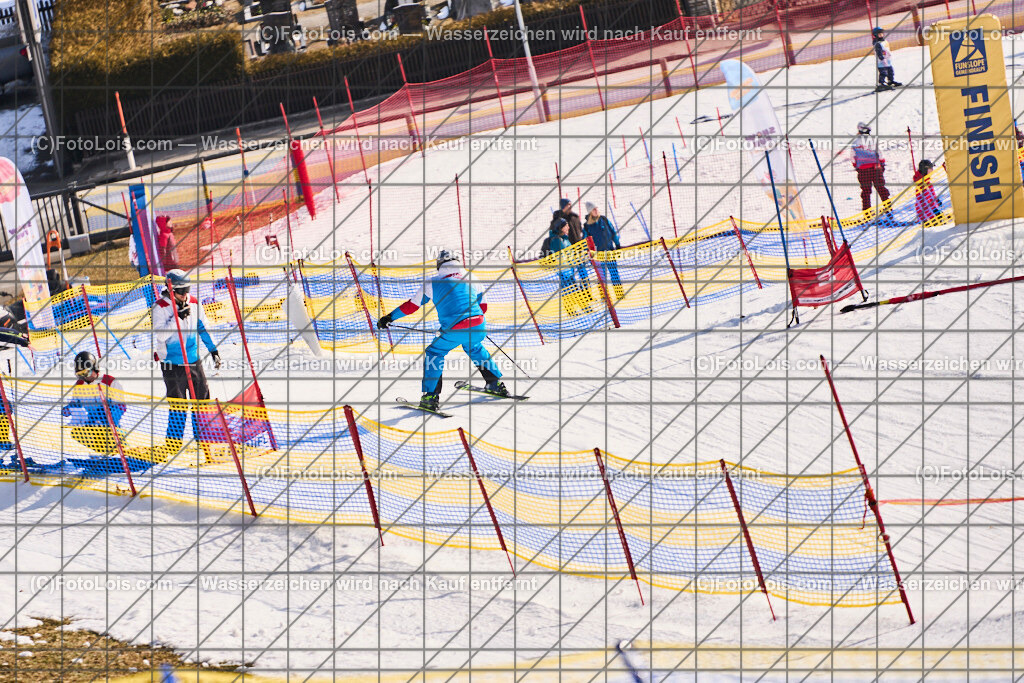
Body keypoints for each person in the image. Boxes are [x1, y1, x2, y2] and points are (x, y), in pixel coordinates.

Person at [376, 250, 507, 412]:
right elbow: (483, 307)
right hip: (479, 324)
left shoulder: (432, 282)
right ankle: (495, 384)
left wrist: (389, 318)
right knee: (474, 347)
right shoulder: (472, 277)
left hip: (454, 327)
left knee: (434, 352)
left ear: (439, 264)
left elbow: (411, 306)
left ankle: (430, 397)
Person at [152, 269, 221, 449]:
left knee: (202, 400)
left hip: (192, 359)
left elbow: (202, 326)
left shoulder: (194, 303)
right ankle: (173, 445)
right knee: (178, 403)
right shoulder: (160, 307)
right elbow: (160, 335)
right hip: (172, 364)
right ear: (170, 289)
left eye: (187, 290)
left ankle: (204, 438)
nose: (185, 295)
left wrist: (213, 350)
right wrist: (177, 318)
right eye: (181, 291)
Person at [62, 351, 128, 456]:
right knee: (76, 433)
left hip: (111, 426)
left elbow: (121, 406)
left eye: (86, 373)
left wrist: (106, 418)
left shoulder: (109, 382)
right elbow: (75, 404)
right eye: (80, 374)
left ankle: (120, 452)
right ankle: (101, 454)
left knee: (109, 435)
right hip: (92, 424)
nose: (84, 377)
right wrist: (69, 409)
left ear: (95, 368)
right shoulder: (79, 385)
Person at [545, 217, 594, 316]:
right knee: (571, 290)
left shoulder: (565, 239)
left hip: (569, 270)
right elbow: (562, 257)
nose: (568, 227)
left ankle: (579, 309)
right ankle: (579, 309)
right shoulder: (557, 241)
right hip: (564, 271)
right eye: (566, 225)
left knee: (572, 290)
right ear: (561, 228)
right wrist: (574, 260)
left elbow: (570, 253)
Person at [583, 201, 624, 300]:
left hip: (609, 251)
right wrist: (588, 253)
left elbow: (613, 231)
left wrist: (617, 244)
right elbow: (585, 241)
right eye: (593, 209)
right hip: (598, 255)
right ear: (590, 212)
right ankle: (605, 296)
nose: (596, 210)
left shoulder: (604, 219)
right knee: (602, 277)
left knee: (614, 273)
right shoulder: (587, 226)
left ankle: (619, 295)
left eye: (596, 208)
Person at [852, 122, 890, 212]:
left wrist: (856, 165)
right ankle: (888, 209)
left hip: (863, 170)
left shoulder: (855, 142)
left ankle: (867, 212)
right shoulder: (873, 140)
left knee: (866, 192)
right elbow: (879, 153)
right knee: (881, 189)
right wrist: (882, 163)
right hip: (875, 168)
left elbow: (852, 156)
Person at [872, 27, 901, 91]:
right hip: (881, 62)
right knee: (883, 73)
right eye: (879, 34)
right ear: (875, 35)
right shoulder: (877, 44)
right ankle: (881, 84)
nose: (881, 35)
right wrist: (882, 59)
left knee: (890, 71)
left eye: (881, 33)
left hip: (888, 60)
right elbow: (879, 52)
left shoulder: (884, 41)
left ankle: (890, 81)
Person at [913, 159, 941, 224]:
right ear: (925, 170)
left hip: (930, 211)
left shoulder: (927, 182)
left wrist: (936, 201)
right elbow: (924, 201)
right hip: (926, 215)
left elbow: (931, 195)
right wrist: (932, 214)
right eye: (930, 168)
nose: (932, 170)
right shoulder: (921, 184)